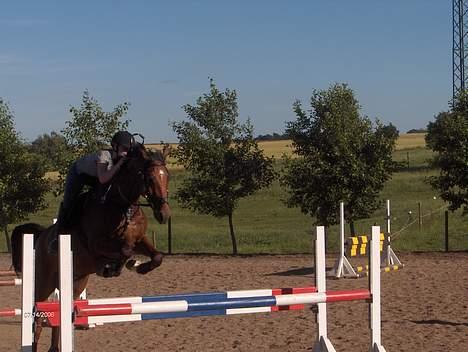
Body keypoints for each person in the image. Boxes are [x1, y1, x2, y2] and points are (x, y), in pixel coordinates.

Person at [48, 131, 134, 254]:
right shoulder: (104, 155)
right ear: (115, 147)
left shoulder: (123, 158)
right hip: (79, 174)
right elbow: (103, 178)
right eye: (124, 149)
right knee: (69, 201)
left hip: (96, 176)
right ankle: (57, 237)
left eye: (129, 150)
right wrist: (119, 164)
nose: (127, 152)